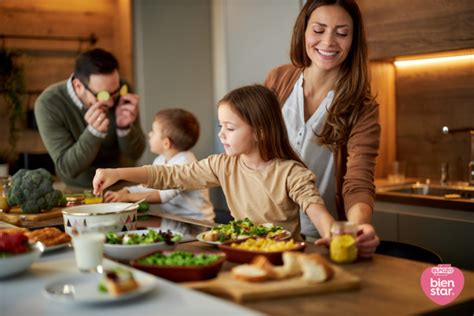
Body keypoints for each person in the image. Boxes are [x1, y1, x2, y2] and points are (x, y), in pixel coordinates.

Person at [93, 85, 336, 239]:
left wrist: (331, 234)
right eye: (221, 126)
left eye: (230, 128)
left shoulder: (290, 173)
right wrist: (117, 173)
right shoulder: (222, 165)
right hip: (240, 251)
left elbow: (314, 208)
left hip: (282, 257)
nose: (221, 134)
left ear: (260, 132)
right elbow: (169, 176)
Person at [264, 0, 380, 257]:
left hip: (322, 238)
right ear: (303, 32)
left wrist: (359, 226)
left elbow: (358, 181)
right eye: (318, 30)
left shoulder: (362, 107)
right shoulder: (277, 81)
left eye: (341, 33)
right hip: (266, 231)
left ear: (353, 40)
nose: (328, 42)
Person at [35, 48, 146, 190]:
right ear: (78, 86)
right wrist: (93, 133)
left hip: (125, 186)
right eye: (103, 95)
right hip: (81, 190)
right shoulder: (49, 103)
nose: (112, 102)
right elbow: (68, 168)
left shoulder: (122, 90)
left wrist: (124, 128)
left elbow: (136, 153)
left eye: (115, 93)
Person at [104, 108, 215, 233]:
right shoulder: (161, 159)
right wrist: (125, 190)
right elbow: (149, 187)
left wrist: (128, 197)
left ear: (166, 143)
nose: (149, 134)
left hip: (196, 225)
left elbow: (162, 196)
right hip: (172, 221)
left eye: (153, 131)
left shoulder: (185, 164)